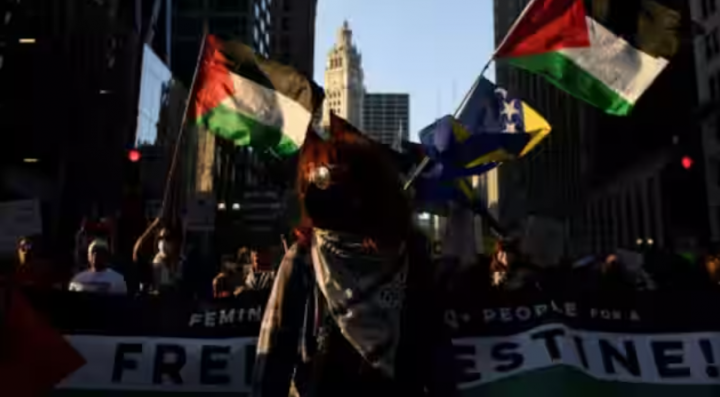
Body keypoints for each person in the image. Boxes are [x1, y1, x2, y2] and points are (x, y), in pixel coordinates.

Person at [252, 116, 457, 397]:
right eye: (315, 184)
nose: (324, 197)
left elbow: (435, 349)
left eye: (332, 183)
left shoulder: (409, 256)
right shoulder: (304, 258)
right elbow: (273, 354)